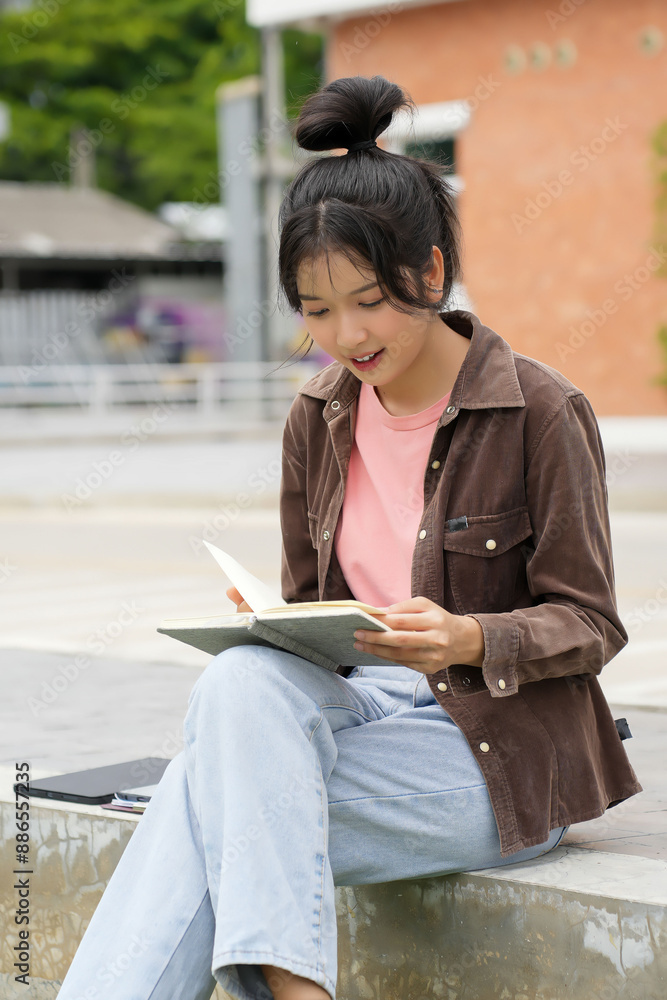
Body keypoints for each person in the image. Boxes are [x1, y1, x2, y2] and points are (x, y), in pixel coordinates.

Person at [57, 75, 641, 1000]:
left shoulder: (538, 409)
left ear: (433, 273)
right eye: (315, 310)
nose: (344, 336)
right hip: (356, 715)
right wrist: (272, 624)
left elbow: (591, 622)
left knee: (201, 796)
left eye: (367, 301)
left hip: (497, 752)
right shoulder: (316, 418)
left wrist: (469, 636)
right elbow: (308, 624)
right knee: (241, 679)